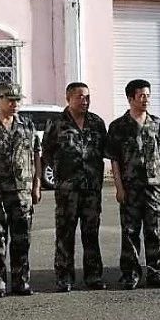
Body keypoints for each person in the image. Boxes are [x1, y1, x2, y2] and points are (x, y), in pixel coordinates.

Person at [0, 82, 43, 297]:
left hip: (22, 192)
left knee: (22, 239)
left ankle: (21, 282)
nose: (14, 104)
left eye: (17, 100)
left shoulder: (27, 125)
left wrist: (37, 185)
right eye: (9, 100)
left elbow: (36, 156)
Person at [41, 82, 108, 291]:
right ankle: (64, 278)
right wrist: (62, 172)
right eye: (80, 97)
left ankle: (94, 276)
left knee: (91, 234)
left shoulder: (96, 122)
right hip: (67, 190)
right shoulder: (56, 123)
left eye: (87, 97)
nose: (84, 101)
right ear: (68, 98)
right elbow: (47, 153)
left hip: (91, 189)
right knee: (65, 234)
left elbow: (104, 150)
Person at [107, 79, 160, 289]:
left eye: (148, 96)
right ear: (130, 98)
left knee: (155, 231)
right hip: (130, 188)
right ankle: (130, 274)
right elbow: (114, 160)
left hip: (154, 187)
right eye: (141, 95)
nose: (146, 100)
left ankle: (156, 273)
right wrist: (119, 188)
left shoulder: (157, 123)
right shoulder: (118, 126)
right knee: (130, 232)